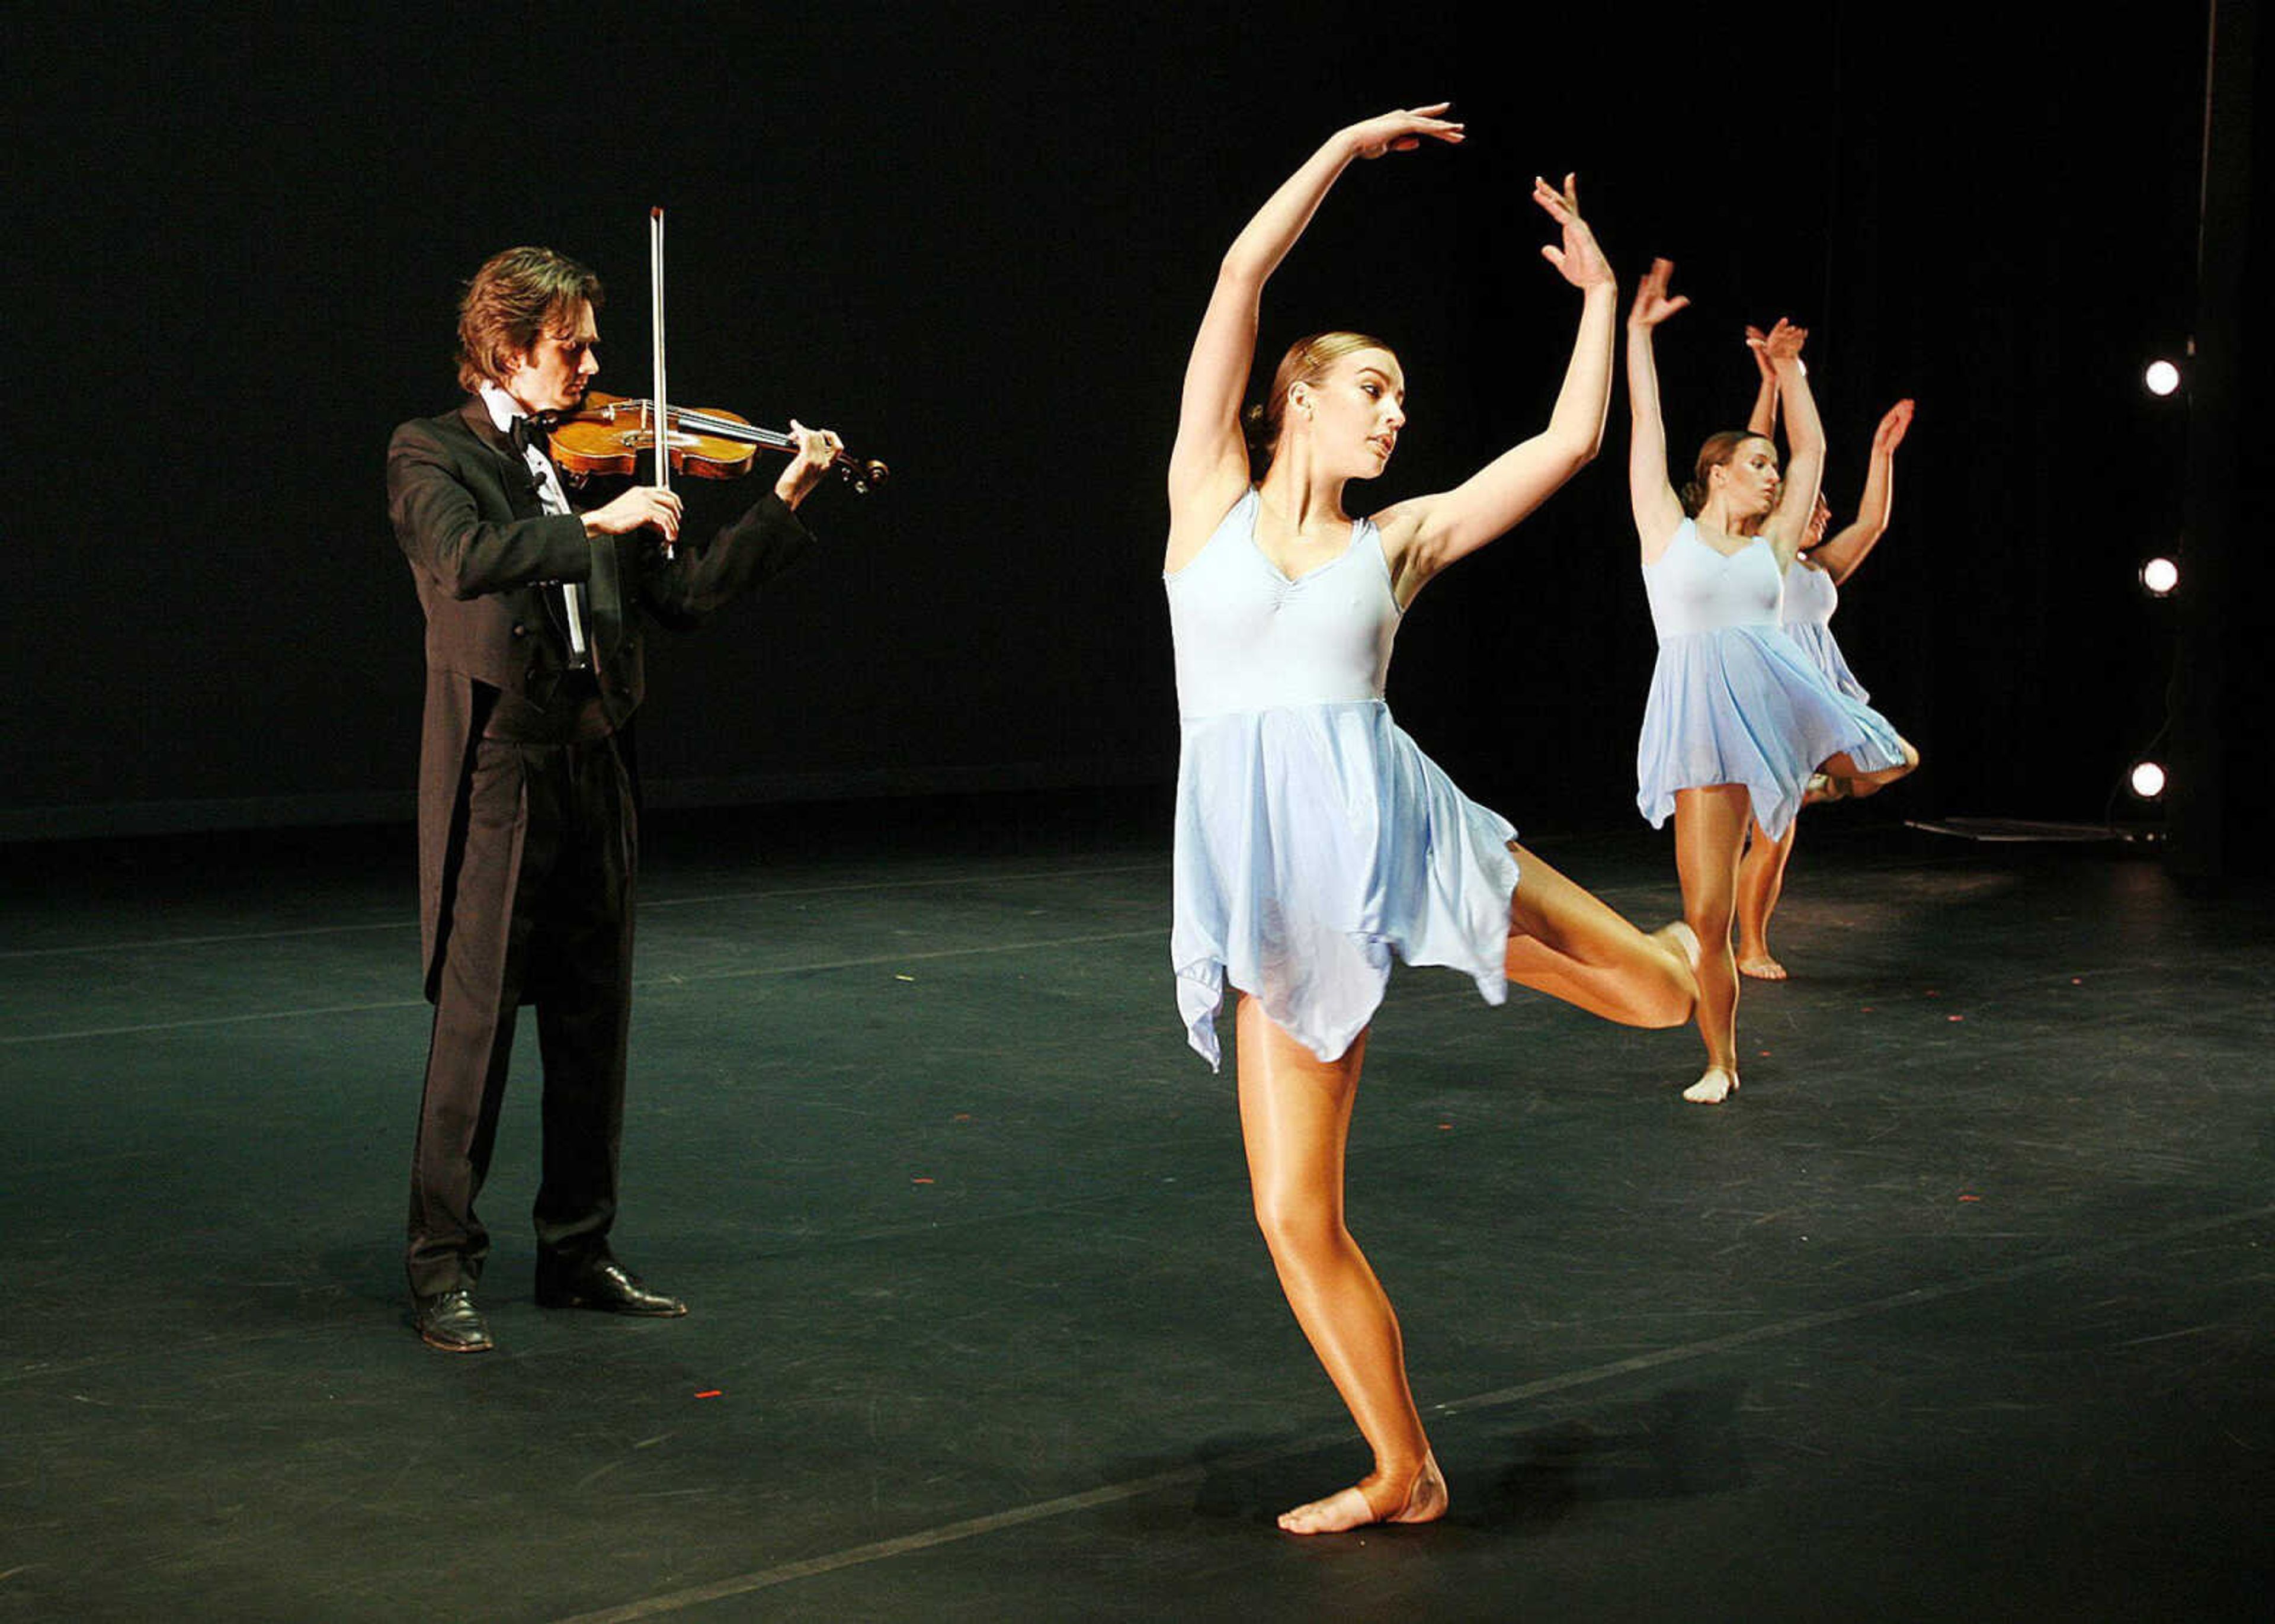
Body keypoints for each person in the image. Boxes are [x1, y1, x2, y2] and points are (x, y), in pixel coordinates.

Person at [1165, 105, 1699, 1535]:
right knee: (1291, 1213)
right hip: (1279, 896)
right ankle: (1406, 1468)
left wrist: (1598, 308)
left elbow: (1569, 442)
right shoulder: (1202, 502)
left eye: (1400, 399)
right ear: (1300, 399)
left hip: (1409, 842)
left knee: (1662, 1001)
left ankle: (1674, 945)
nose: (1395, 414)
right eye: (1372, 391)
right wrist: (1337, 153)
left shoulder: (1389, 542)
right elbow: (1236, 277)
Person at [387, 245, 842, 1353]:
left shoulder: (594, 464)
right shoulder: (430, 453)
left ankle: (577, 1251)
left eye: (596, 342)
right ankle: (442, 1265)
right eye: (573, 345)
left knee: (596, 1020)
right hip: (505, 765)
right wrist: (594, 526)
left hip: (598, 757)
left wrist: (781, 502)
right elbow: (466, 560)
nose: (595, 365)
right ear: (507, 348)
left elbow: (679, 600)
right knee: (478, 1025)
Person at [1624, 260, 1917, 1103]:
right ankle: (1720, 1058)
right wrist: (1639, 335)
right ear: (1716, 472)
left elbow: (1815, 448)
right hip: (1698, 737)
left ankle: (1796, 781)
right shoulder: (1664, 534)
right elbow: (1644, 419)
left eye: (1773, 468)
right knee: (1708, 919)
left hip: (1770, 715)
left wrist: (1790, 375)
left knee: (1893, 758)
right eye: (1757, 464)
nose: (1772, 474)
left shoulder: (1774, 551)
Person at [1732, 347, 1917, 979]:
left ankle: (1813, 785)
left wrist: (1882, 453)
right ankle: (1750, 945)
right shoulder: (1763, 556)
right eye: (1812, 506)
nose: (1824, 513)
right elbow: (1757, 450)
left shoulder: (1818, 568)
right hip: (1772, 696)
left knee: (1889, 761)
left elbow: (1871, 523)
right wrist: (1775, 387)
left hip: (1820, 702)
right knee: (1772, 838)